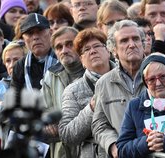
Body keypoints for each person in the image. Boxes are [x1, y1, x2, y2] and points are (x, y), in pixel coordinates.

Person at [92, 20, 146, 158]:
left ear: (143, 44)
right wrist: (113, 146)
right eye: (124, 41)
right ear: (113, 50)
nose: (132, 44)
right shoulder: (104, 83)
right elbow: (99, 124)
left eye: (136, 39)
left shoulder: (162, 74)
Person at [59, 28, 115, 158]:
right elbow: (67, 135)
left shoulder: (127, 79)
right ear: (82, 60)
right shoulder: (73, 91)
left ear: (108, 51)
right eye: (86, 50)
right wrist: (91, 108)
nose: (93, 51)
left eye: (97, 46)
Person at [116, 53, 165, 157]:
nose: (158, 83)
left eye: (163, 77)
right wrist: (145, 143)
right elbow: (122, 150)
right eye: (151, 79)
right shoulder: (135, 106)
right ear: (145, 82)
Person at [41, 26, 84, 158]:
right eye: (59, 47)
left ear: (80, 46)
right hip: (62, 151)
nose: (64, 50)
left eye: (69, 44)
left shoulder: (93, 70)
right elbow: (43, 109)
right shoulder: (51, 75)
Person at [11, 13, 57, 91]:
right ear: (23, 39)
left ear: (51, 33)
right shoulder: (20, 66)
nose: (35, 37)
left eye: (40, 31)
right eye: (30, 33)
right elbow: (15, 100)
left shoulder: (61, 59)